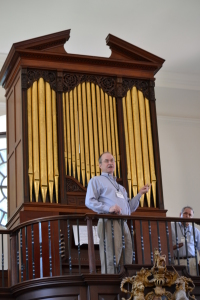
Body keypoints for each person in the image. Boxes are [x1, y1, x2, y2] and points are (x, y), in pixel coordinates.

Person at [85, 151, 151, 274]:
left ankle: (125, 289)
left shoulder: (120, 187)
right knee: (111, 258)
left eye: (112, 160)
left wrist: (140, 194)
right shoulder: (96, 180)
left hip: (123, 222)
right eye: (106, 161)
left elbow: (129, 208)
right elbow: (89, 201)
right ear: (100, 165)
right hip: (109, 221)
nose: (110, 163)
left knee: (127, 259)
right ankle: (109, 289)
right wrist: (108, 208)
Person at [171, 206, 200, 276]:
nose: (187, 216)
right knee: (178, 284)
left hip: (192, 262)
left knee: (193, 284)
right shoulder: (171, 227)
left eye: (190, 215)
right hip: (177, 261)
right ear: (180, 214)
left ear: (192, 218)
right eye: (185, 213)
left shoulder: (195, 231)